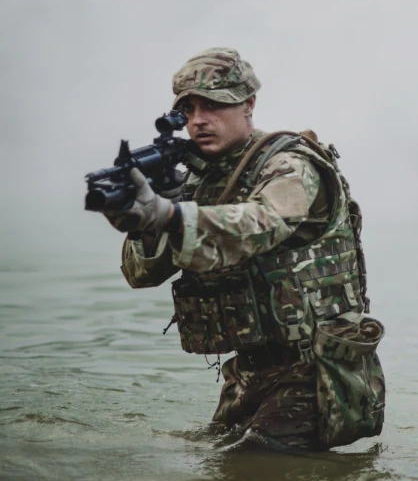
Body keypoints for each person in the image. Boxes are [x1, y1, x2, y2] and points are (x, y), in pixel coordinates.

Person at [103, 47, 385, 451]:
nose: (199, 120)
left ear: (249, 103)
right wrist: (153, 217)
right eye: (188, 110)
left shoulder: (288, 165)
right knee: (209, 465)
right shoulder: (201, 179)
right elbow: (140, 275)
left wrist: (170, 215)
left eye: (214, 106)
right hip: (248, 372)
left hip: (314, 371)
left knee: (252, 472)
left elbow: (261, 223)